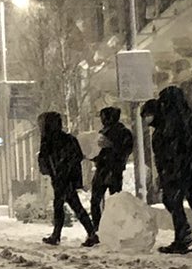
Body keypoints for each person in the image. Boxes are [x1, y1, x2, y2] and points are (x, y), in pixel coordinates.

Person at [150, 85, 192, 255]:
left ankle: (183, 236)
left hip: (179, 169)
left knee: (172, 201)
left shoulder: (173, 121)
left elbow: (170, 148)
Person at [36, 111, 95, 247]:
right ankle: (89, 233)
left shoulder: (53, 141)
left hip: (64, 179)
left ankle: (59, 235)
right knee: (71, 205)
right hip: (62, 178)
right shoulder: (58, 140)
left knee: (64, 206)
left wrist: (62, 170)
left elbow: (75, 157)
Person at [89, 105, 135, 233]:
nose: (102, 120)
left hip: (114, 169)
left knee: (114, 201)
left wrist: (112, 146)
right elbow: (98, 151)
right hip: (102, 169)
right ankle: (98, 228)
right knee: (97, 200)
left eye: (104, 117)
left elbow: (126, 150)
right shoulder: (103, 132)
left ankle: (113, 228)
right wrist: (93, 155)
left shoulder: (123, 132)